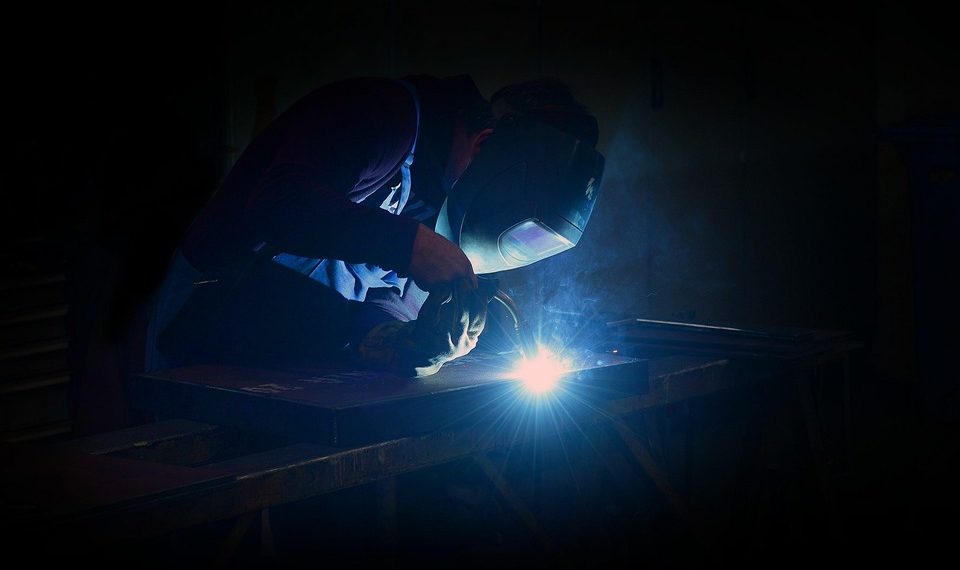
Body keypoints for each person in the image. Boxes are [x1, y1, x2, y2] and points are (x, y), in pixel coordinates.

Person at [146, 74, 601, 377]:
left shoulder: (440, 198)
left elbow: (377, 300)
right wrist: (407, 245)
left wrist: (402, 341)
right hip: (202, 342)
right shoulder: (383, 114)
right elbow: (277, 203)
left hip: (289, 372)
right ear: (484, 146)